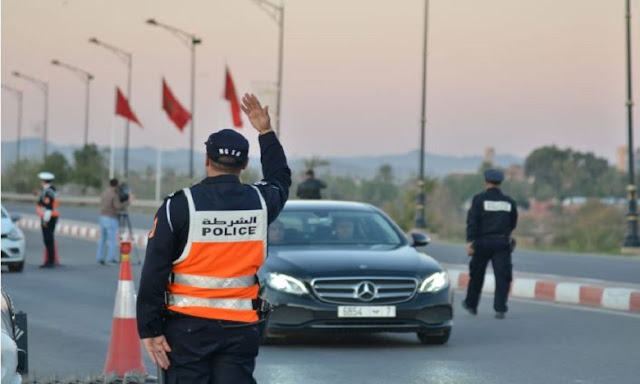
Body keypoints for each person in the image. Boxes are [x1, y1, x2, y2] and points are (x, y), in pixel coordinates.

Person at [136, 93, 291, 383]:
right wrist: (266, 133)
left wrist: (150, 328)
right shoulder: (261, 202)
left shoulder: (180, 206)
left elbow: (154, 270)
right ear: (245, 164)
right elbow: (280, 177)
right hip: (241, 329)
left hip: (187, 331)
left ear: (207, 159)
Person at [462, 169, 518, 319]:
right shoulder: (509, 202)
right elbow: (513, 223)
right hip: (502, 242)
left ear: (485, 182)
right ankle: (500, 308)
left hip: (482, 242)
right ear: (500, 183)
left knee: (477, 275)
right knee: (503, 276)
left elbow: (472, 222)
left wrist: (470, 242)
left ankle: (471, 304)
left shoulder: (479, 200)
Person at [96, 178, 129, 265]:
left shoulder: (104, 192)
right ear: (116, 185)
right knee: (112, 240)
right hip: (111, 218)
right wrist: (127, 202)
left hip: (102, 217)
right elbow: (117, 206)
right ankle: (110, 259)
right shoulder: (114, 194)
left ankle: (100, 257)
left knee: (102, 239)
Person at [36, 171, 59, 268]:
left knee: (48, 239)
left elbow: (48, 208)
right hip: (51, 217)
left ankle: (50, 261)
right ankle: (51, 260)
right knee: (49, 239)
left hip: (48, 218)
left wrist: (45, 220)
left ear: (43, 181)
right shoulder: (51, 190)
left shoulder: (48, 192)